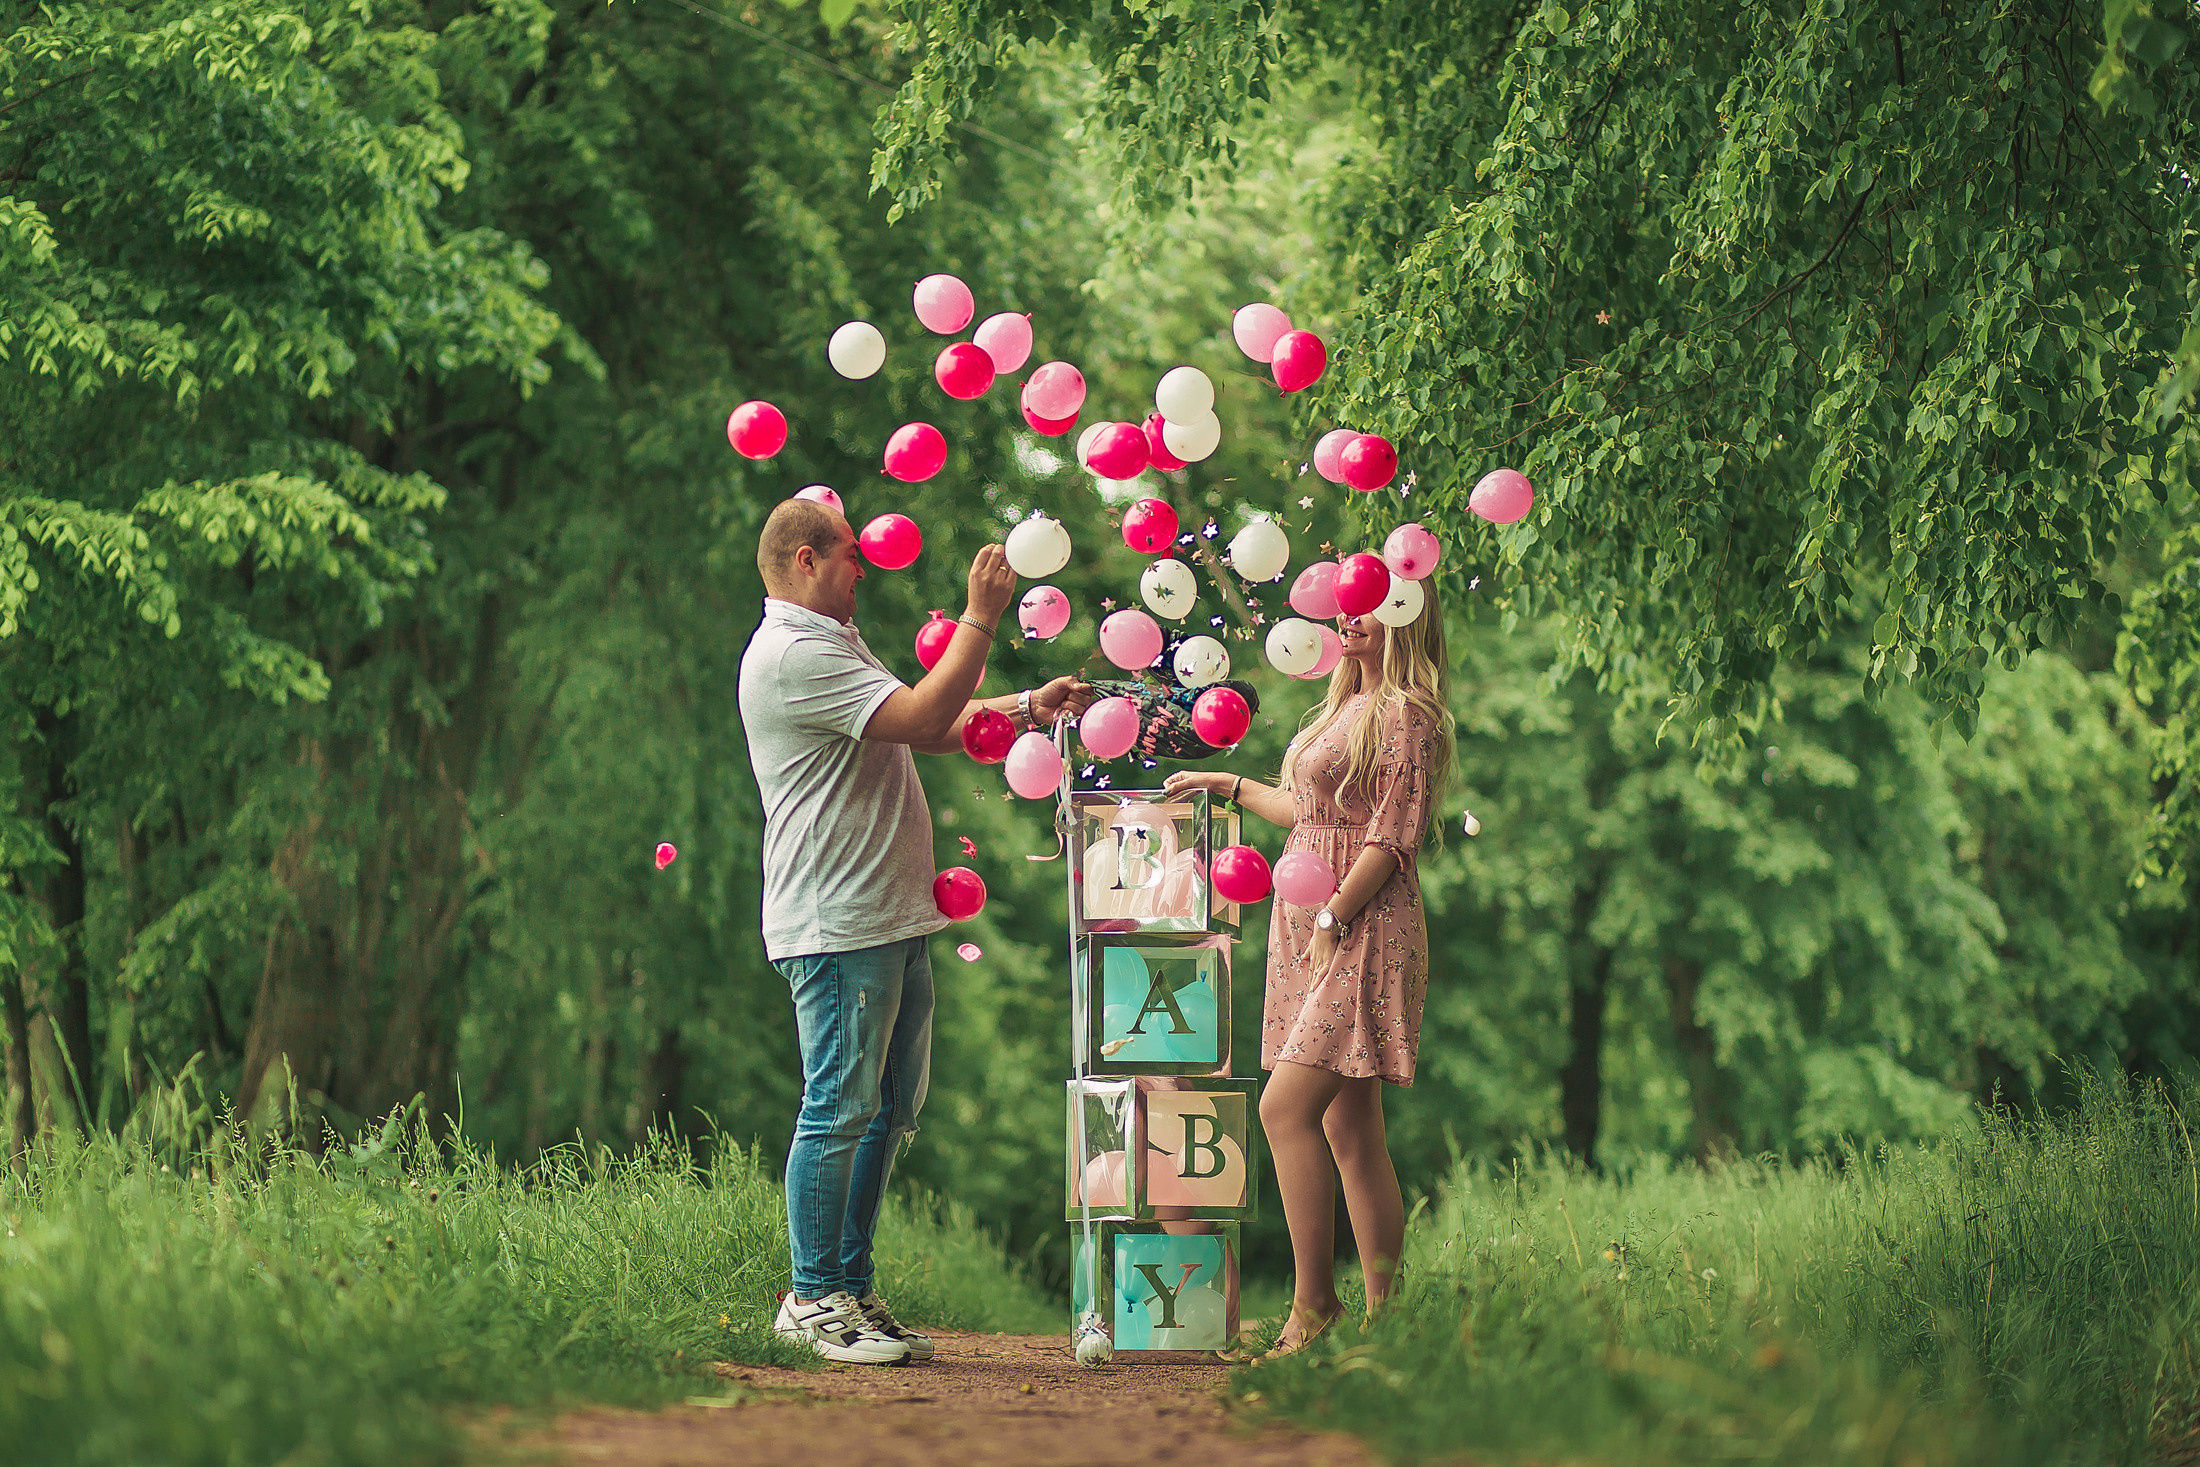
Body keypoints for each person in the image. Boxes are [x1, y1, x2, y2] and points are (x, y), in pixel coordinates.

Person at [738, 498, 1092, 1365]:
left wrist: (1022, 705)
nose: (866, 566)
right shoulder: (789, 653)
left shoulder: (829, 639)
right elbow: (927, 716)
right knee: (840, 1106)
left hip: (886, 913)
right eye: (853, 555)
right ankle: (813, 1296)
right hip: (838, 920)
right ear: (808, 560)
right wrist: (979, 615)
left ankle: (849, 1289)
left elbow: (916, 720)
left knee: (890, 1109)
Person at [1162, 587, 1455, 1358]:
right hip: (1308, 920)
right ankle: (1387, 1321)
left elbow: (1393, 837)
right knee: (1348, 1125)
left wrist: (1332, 918)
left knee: (1283, 1109)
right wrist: (1222, 784)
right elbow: (1304, 808)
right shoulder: (1338, 707)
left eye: (1372, 605)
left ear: (1405, 617)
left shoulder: (1406, 711)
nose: (1348, 616)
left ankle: (1314, 1303)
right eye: (1345, 604)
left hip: (1360, 920)